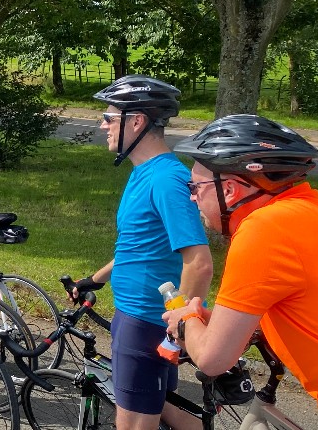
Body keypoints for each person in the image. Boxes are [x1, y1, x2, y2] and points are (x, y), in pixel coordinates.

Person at [165, 115, 318, 428]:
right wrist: (237, 327)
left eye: (195, 186)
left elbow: (212, 358)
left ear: (230, 191)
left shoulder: (262, 231)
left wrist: (186, 319)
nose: (191, 196)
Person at [71, 75, 213, 430]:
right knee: (156, 409)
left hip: (147, 320)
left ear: (136, 121)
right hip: (133, 316)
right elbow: (138, 246)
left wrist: (181, 327)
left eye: (110, 117)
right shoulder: (143, 173)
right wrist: (96, 279)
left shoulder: (167, 179)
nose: (103, 125)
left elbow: (199, 262)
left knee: (133, 422)